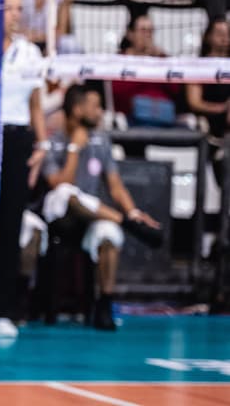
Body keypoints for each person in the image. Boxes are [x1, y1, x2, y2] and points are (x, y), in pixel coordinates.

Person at [42, 85, 163, 331]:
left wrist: (133, 212)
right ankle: (127, 224)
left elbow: (116, 186)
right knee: (68, 193)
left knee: (108, 234)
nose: (100, 112)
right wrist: (74, 148)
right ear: (77, 110)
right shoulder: (53, 142)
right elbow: (59, 183)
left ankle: (105, 303)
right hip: (60, 217)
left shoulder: (101, 141)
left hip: (94, 217)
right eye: (95, 106)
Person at [0, 0, 48, 338]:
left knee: (12, 224)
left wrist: (41, 146)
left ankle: (4, 310)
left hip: (17, 138)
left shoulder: (30, 54)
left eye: (17, 8)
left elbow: (35, 104)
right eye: (8, 8)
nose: (14, 15)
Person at [186, 18, 230, 190]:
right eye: (220, 33)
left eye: (227, 34)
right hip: (211, 125)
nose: (224, 38)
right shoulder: (199, 65)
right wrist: (222, 108)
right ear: (208, 37)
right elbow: (194, 102)